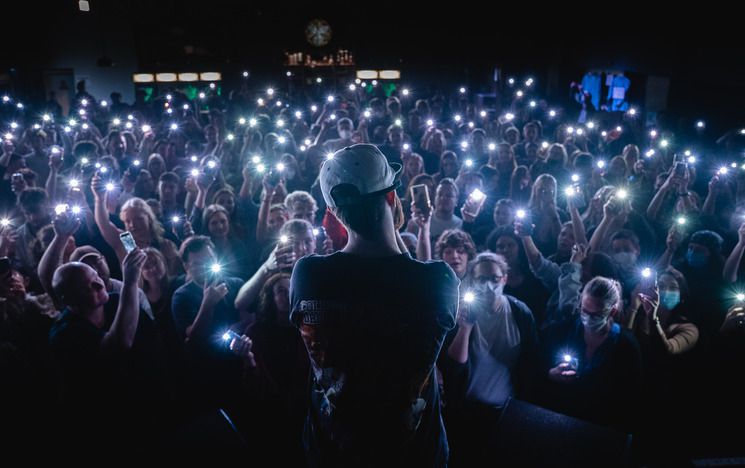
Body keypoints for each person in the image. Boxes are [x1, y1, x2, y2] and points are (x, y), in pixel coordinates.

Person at [290, 144, 458, 466]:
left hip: (333, 451)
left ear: (334, 214)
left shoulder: (309, 275)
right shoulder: (438, 279)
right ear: (392, 197)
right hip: (413, 455)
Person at [441, 252, 540, 467]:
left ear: (504, 278)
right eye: (481, 279)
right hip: (466, 409)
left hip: (505, 411)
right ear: (472, 281)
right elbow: (454, 367)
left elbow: (530, 362)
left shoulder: (520, 313)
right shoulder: (462, 312)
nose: (488, 285)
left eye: (494, 279)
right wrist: (465, 328)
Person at [538, 276, 642, 432]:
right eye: (584, 311)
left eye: (596, 315)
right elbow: (536, 368)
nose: (587, 318)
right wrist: (550, 374)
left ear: (612, 311)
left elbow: (629, 400)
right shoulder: (561, 331)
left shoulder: (626, 347)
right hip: (557, 419)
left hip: (599, 427)